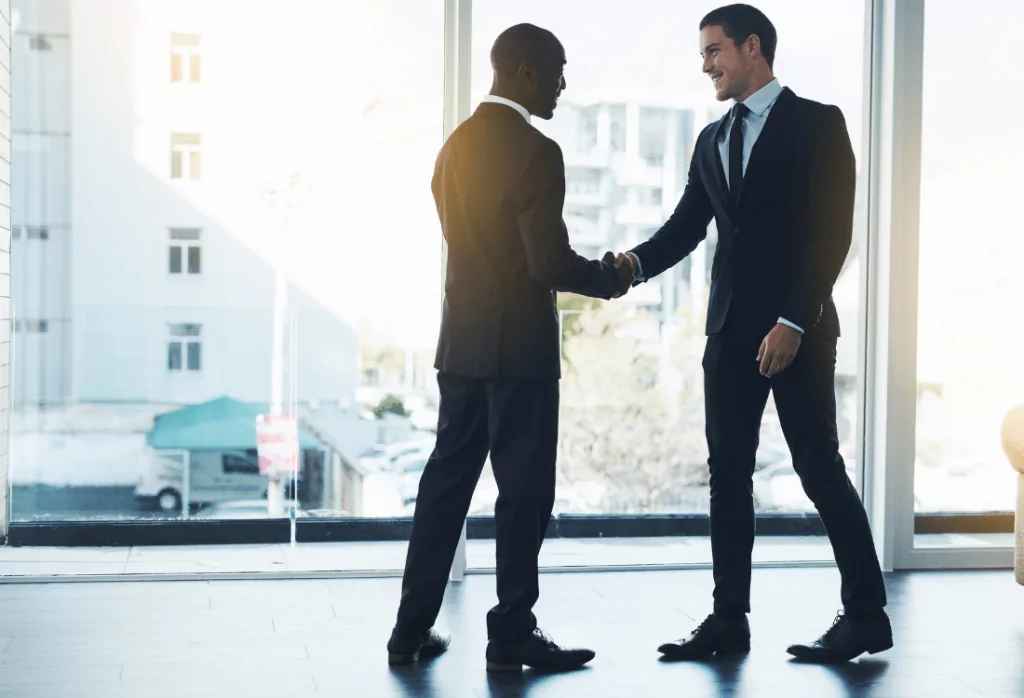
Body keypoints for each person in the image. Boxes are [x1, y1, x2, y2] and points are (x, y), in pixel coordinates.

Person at [612, 3, 891, 663]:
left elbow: (834, 233)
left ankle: (866, 618)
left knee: (819, 468)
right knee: (727, 475)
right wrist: (633, 265)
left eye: (714, 51)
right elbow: (687, 226)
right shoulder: (711, 140)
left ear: (753, 47)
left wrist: (795, 319)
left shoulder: (819, 124)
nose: (705, 64)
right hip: (730, 334)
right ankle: (727, 621)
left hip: (798, 330)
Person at [387, 23, 632, 673]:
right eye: (556, 70)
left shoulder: (453, 148)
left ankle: (408, 632)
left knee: (445, 489)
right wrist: (612, 277)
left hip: (462, 345)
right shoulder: (535, 151)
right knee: (524, 497)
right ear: (523, 72)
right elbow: (546, 262)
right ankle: (512, 635)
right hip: (519, 353)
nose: (561, 85)